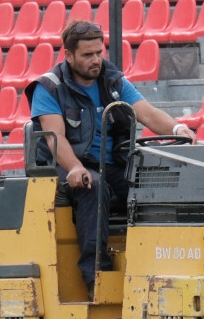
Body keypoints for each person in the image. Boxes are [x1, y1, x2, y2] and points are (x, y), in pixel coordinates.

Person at [26, 19, 194, 296]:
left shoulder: (113, 81)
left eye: (98, 53)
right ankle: (96, 277)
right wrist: (76, 168)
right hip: (67, 168)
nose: (95, 60)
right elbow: (55, 139)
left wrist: (178, 129)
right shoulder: (49, 88)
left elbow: (148, 113)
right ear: (69, 55)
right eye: (87, 55)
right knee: (94, 186)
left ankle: (156, 265)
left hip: (112, 165)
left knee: (153, 185)